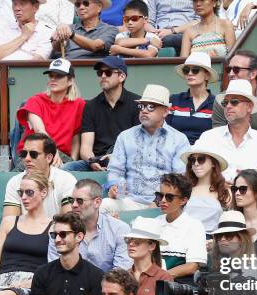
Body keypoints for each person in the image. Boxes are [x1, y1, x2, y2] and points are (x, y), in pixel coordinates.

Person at [101, 84, 190, 213]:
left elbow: (179, 179)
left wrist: (159, 201)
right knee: (103, 206)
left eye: (151, 107)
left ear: (165, 111)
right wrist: (114, 187)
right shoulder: (125, 136)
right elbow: (116, 170)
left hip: (165, 203)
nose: (144, 110)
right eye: (142, 106)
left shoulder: (179, 140)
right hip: (130, 200)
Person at [62, 56, 140, 172]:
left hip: (127, 157)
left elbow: (139, 144)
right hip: (98, 159)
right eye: (100, 73)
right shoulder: (91, 106)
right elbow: (86, 147)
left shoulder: (137, 103)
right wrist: (92, 161)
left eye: (108, 73)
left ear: (122, 76)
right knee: (67, 167)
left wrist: (116, 157)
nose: (103, 76)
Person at [199, 79, 257, 182]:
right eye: (225, 102)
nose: (228, 106)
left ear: (249, 107)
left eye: (234, 102)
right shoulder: (208, 138)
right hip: (214, 194)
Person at [0, 171, 53, 295]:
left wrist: (34, 281)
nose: (24, 197)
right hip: (2, 280)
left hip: (32, 283)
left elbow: (54, 265)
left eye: (29, 192)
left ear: (43, 193)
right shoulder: (9, 221)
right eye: (21, 193)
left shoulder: (53, 226)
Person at [48, 179, 132, 272]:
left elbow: (120, 273)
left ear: (97, 202)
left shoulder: (119, 229)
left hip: (106, 285)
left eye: (80, 201)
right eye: (72, 200)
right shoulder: (60, 230)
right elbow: (54, 270)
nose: (74, 205)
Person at [16, 59, 85, 165]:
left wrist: (73, 161)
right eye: (51, 75)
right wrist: (52, 150)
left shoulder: (78, 104)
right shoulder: (35, 100)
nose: (53, 79)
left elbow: (75, 136)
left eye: (59, 76)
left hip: (62, 156)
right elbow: (39, 131)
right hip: (32, 152)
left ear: (70, 81)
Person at [31, 212, 104, 295]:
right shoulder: (41, 273)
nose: (57, 239)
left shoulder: (97, 276)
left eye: (62, 234)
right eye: (54, 234)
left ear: (79, 237)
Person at [4, 134, 76, 218]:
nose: (27, 159)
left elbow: (69, 223)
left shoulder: (66, 180)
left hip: (56, 231)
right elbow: (9, 223)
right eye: (24, 154)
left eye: (33, 154)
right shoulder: (15, 182)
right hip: (24, 230)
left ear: (49, 158)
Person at [209, 210, 257, 295]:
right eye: (219, 236)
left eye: (228, 235)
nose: (222, 239)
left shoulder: (255, 270)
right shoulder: (220, 267)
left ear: (242, 238)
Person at [155, 173, 207, 284]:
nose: (163, 200)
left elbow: (192, 266)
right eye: (160, 195)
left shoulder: (194, 226)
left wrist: (160, 277)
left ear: (183, 200)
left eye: (169, 197)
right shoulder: (155, 222)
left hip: (179, 285)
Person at [167, 52, 218, 145]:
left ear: (207, 75)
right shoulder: (174, 100)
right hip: (176, 152)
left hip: (204, 154)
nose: (190, 73)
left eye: (195, 70)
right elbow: (166, 132)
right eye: (186, 70)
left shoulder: (216, 104)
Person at [182, 140, 231, 236]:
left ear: (213, 163)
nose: (196, 164)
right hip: (184, 238)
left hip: (213, 242)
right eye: (192, 160)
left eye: (201, 159)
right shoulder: (184, 188)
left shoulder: (225, 191)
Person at [123, 216, 173, 295]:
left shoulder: (163, 277)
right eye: (128, 240)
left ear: (152, 246)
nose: (131, 244)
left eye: (137, 241)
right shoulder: (124, 275)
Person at [51, 0, 118, 59]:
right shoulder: (69, 28)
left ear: (99, 7)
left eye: (86, 3)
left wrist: (72, 35)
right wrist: (57, 40)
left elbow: (95, 46)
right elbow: (59, 50)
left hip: (94, 70)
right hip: (68, 68)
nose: (81, 7)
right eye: (78, 4)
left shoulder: (110, 29)